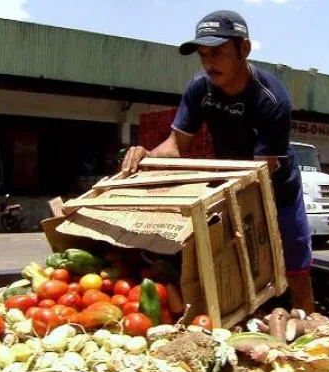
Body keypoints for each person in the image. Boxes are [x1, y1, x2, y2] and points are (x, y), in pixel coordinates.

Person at [121, 9, 315, 313]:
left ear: (244, 49)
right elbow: (175, 145)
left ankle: (311, 326)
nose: (209, 64)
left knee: (295, 271)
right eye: (203, 56)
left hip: (276, 189)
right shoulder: (200, 86)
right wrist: (148, 155)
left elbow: (263, 169)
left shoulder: (272, 99)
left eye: (218, 53)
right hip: (229, 183)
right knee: (230, 268)